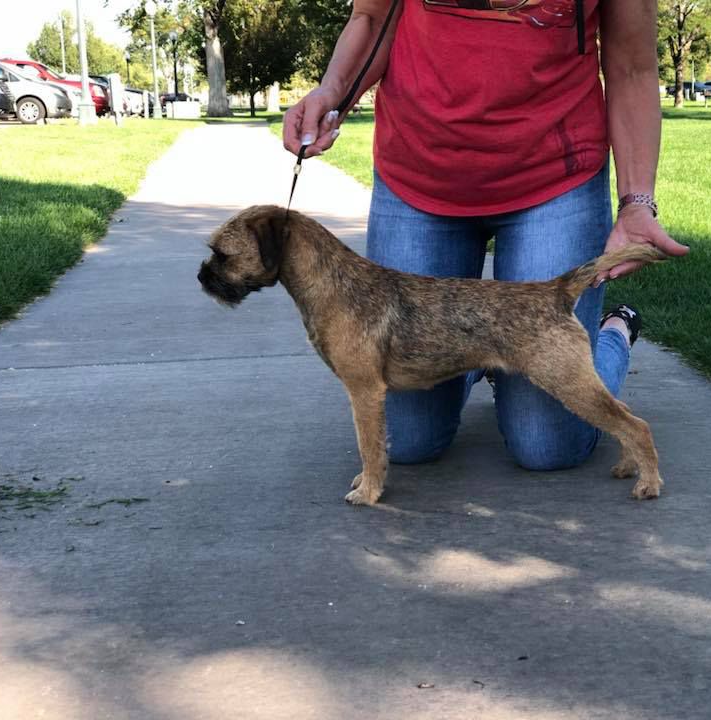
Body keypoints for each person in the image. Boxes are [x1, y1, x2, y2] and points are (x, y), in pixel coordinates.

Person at [283, 0, 688, 471]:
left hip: (553, 178)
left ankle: (612, 332)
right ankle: (483, 347)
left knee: (548, 446)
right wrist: (331, 92)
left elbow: (632, 67)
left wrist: (637, 201)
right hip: (419, 173)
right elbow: (373, 18)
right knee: (409, 442)